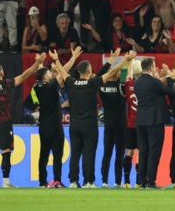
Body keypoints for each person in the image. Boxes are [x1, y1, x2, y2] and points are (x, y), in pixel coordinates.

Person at [56, 49, 135, 188]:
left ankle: (73, 181)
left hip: (74, 125)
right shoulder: (92, 84)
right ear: (89, 71)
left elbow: (62, 71)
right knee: (89, 153)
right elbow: (110, 73)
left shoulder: (71, 82)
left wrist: (59, 59)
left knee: (75, 154)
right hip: (89, 125)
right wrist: (124, 60)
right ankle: (88, 182)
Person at [0, 52, 45, 187]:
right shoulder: (6, 84)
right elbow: (24, 75)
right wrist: (37, 63)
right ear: (1, 73)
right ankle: (6, 182)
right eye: (2, 69)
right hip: (4, 123)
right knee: (6, 152)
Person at [134, 56, 175, 189]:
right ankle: (151, 181)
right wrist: (170, 77)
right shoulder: (154, 82)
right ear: (152, 68)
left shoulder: (137, 82)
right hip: (154, 121)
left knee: (143, 151)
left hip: (141, 120)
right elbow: (172, 91)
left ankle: (142, 181)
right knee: (154, 151)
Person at [32, 51, 75, 188]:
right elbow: (64, 72)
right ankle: (57, 180)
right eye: (49, 74)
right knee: (57, 154)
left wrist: (40, 62)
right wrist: (73, 57)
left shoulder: (37, 86)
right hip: (55, 125)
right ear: (46, 77)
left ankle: (42, 182)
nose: (51, 74)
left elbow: (40, 74)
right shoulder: (50, 86)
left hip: (43, 125)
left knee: (43, 154)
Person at [98, 57, 128, 188]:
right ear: (117, 75)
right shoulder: (121, 87)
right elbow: (130, 82)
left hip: (108, 125)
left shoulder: (101, 86)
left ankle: (104, 181)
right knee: (119, 154)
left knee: (107, 154)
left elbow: (99, 75)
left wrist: (110, 61)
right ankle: (118, 182)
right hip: (120, 126)